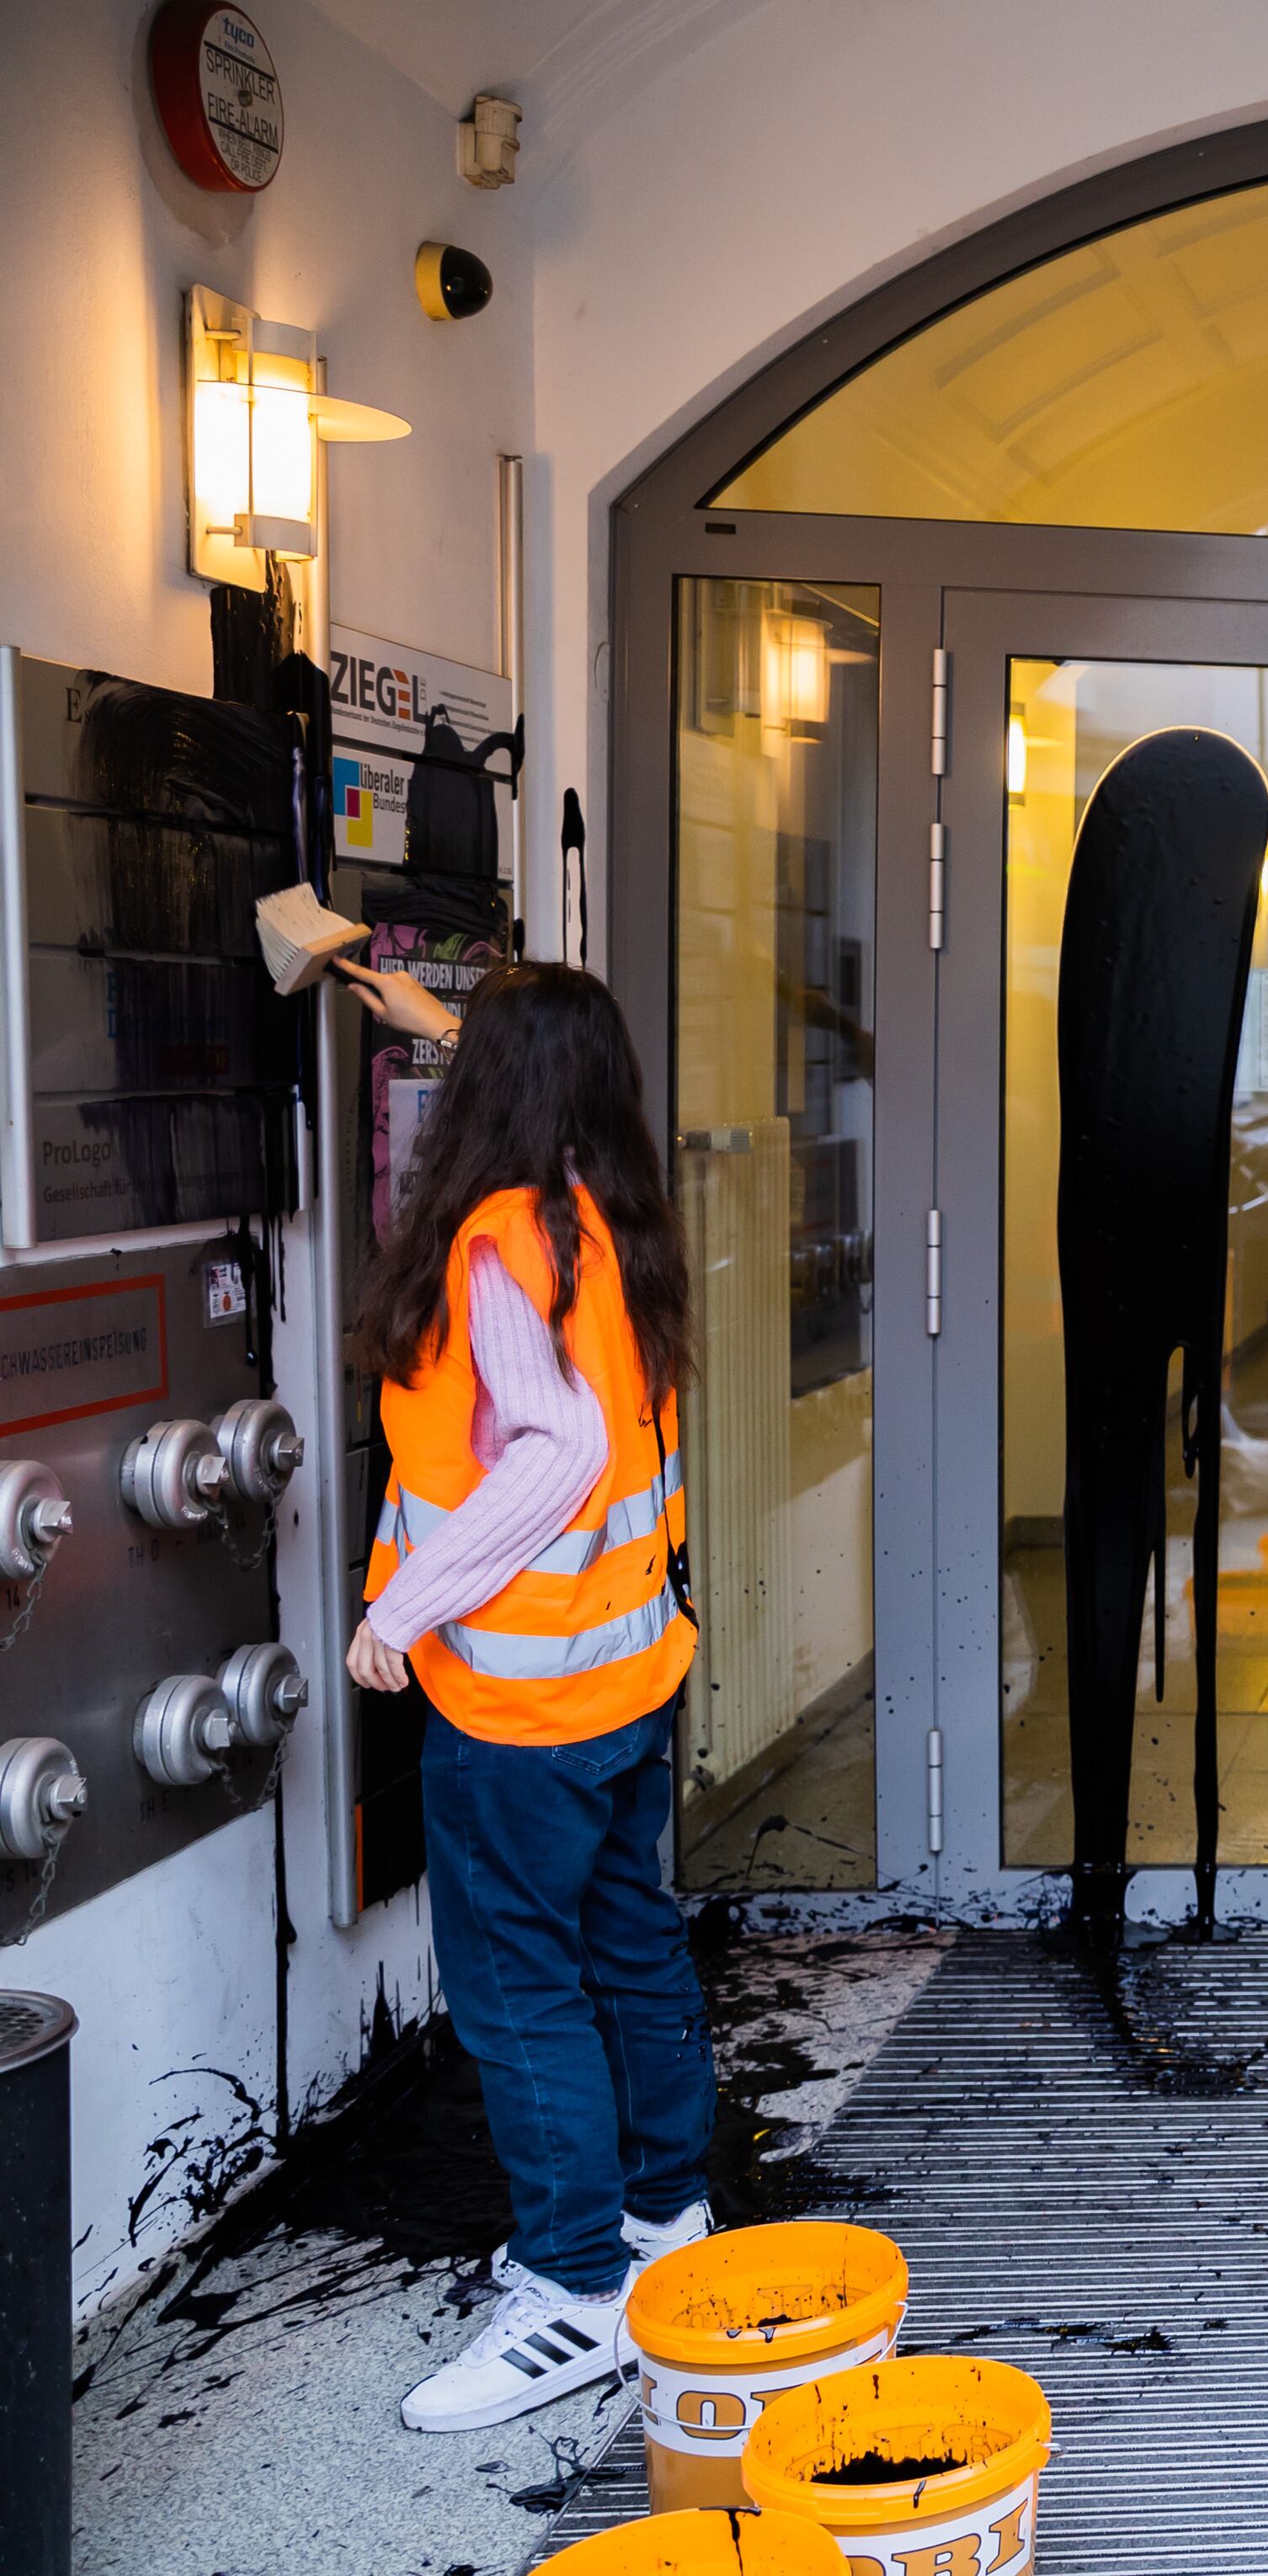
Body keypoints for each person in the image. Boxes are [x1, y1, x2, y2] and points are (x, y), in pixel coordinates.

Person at [331, 958, 719, 2433]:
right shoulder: (607, 1225)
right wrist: (430, 1010)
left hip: (516, 1711)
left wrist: (400, 1608)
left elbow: (549, 1456)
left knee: (517, 1987)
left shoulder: (497, 1244)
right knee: (626, 1944)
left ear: (489, 1089)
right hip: (624, 1680)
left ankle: (571, 2291)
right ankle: (660, 2223)